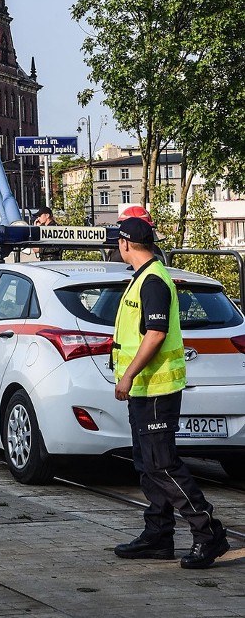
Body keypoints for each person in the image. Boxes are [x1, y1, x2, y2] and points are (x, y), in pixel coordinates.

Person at [112, 216, 228, 569]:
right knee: (147, 464)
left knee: (162, 464)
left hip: (156, 387)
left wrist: (128, 375)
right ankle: (158, 535)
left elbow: (156, 333)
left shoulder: (153, 281)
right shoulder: (143, 277)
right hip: (147, 389)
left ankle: (209, 534)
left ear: (126, 243)